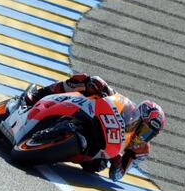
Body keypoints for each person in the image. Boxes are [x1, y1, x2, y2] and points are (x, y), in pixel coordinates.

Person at [25, 73, 166, 182]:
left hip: (102, 149)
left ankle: (59, 149)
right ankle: (38, 95)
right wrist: (101, 88)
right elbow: (113, 95)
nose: (143, 136)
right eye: (144, 128)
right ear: (137, 117)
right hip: (93, 117)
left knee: (98, 166)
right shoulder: (127, 110)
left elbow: (116, 176)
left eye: (149, 134)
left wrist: (117, 162)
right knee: (88, 80)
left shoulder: (141, 149)